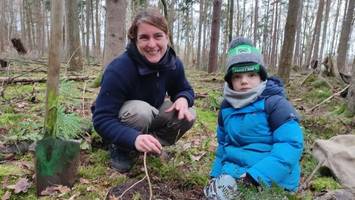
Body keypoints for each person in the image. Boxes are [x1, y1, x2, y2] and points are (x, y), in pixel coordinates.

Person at [92, 8, 196, 173]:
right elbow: (101, 119)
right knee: (140, 111)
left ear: (167, 37)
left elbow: (184, 89)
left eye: (158, 36)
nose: (152, 44)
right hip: (125, 118)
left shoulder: (173, 63)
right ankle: (122, 147)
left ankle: (151, 146)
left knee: (188, 112)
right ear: (135, 41)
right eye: (144, 37)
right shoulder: (119, 69)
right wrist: (132, 138)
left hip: (152, 114)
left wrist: (183, 98)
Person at [204, 37, 304, 199]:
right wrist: (215, 175)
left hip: (274, 180)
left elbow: (291, 145)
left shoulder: (275, 104)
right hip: (235, 174)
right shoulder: (226, 108)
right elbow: (223, 145)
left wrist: (256, 177)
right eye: (237, 76)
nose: (244, 81)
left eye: (251, 74)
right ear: (230, 80)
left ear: (261, 76)